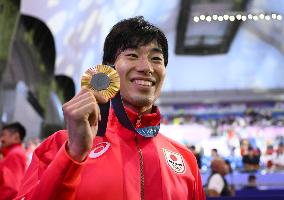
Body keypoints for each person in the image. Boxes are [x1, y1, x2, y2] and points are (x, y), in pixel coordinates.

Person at [16, 16, 205, 200]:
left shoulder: (185, 159)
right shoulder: (59, 147)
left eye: (156, 59)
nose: (146, 67)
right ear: (108, 69)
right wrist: (73, 155)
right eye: (132, 55)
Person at [0, 122, 27, 200]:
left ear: (16, 137)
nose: (1, 139)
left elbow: (11, 188)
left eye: (3, 135)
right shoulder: (14, 152)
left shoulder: (15, 154)